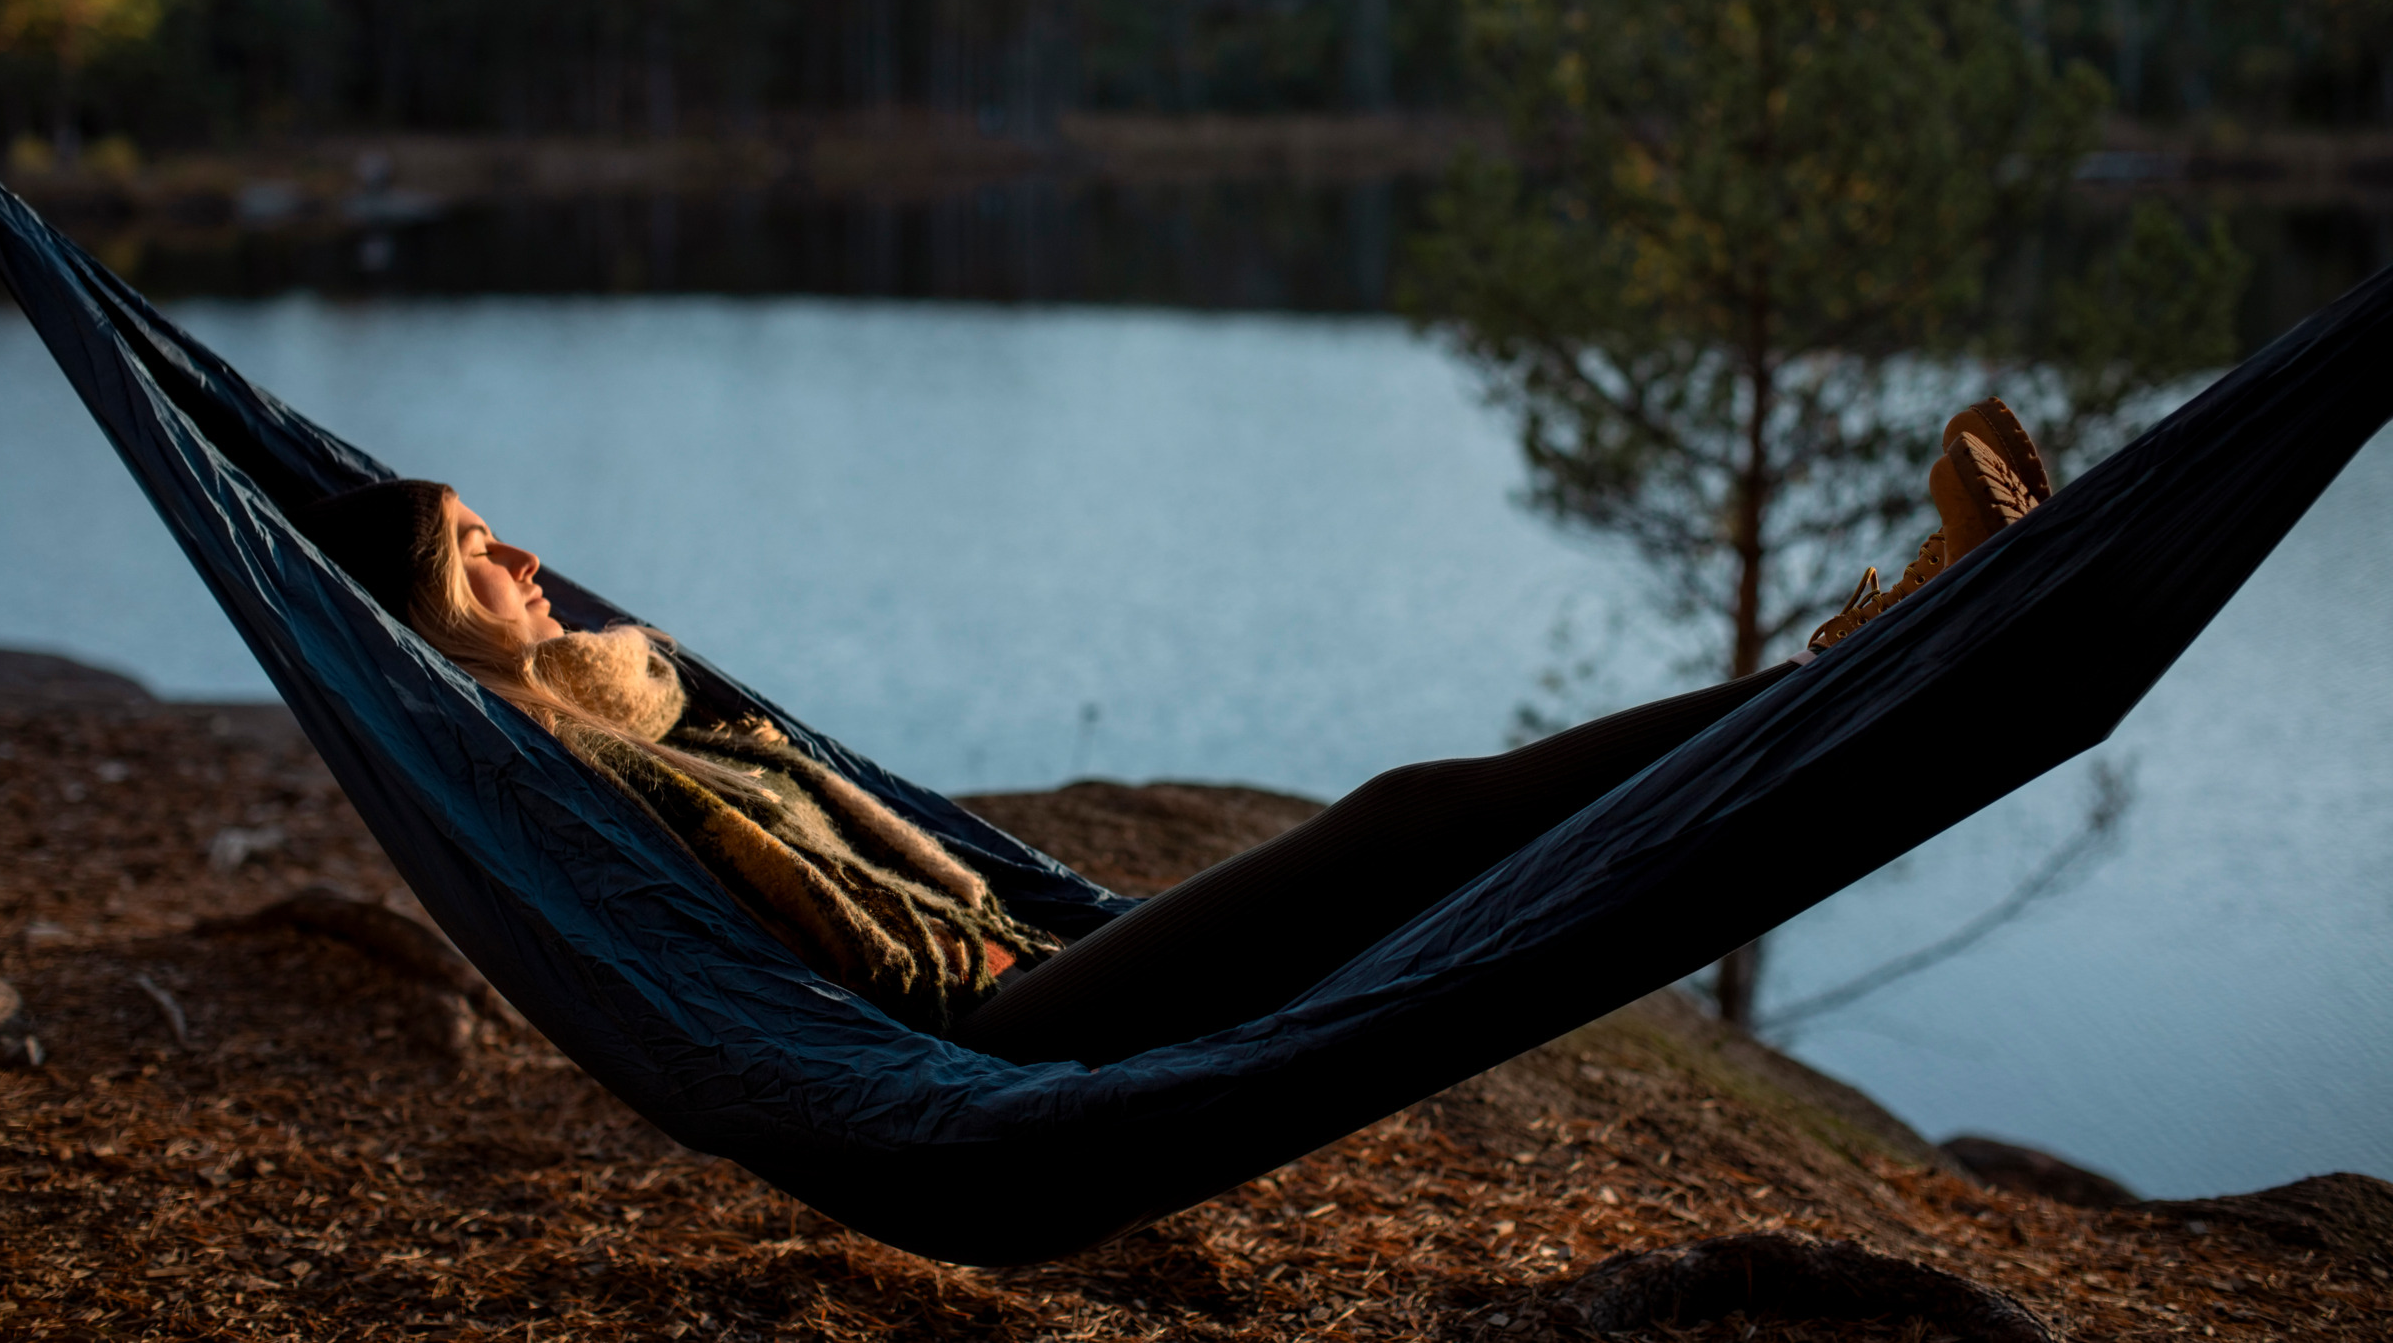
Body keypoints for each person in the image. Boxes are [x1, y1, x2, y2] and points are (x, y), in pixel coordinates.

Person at [296, 400, 2049, 1067]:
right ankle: (1867, 664)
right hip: (981, 1047)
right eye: (478, 551)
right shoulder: (523, 758)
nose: (526, 559)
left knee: (1421, 834)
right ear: (430, 623)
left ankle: (1865, 665)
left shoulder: (634, 708)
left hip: (1035, 971)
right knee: (1405, 829)